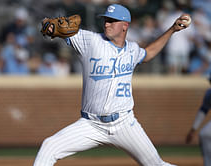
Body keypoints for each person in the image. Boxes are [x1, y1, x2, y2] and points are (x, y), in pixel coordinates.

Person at [34, 4, 190, 166]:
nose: (106, 24)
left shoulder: (132, 50)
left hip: (124, 124)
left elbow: (148, 53)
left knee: (156, 164)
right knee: (49, 146)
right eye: (106, 20)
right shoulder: (90, 41)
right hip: (91, 124)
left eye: (112, 21)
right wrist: (49, 25)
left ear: (125, 25)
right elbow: (53, 26)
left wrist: (172, 29)